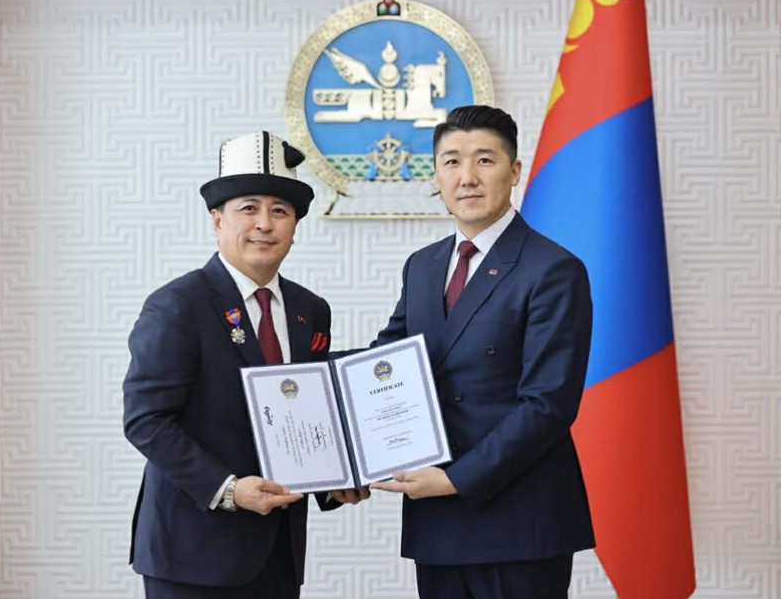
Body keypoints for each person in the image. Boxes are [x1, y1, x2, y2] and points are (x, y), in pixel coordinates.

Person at [123, 131, 366, 599]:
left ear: (295, 225)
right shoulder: (178, 304)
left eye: (280, 211)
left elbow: (307, 412)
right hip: (192, 552)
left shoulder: (310, 310)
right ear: (217, 220)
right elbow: (146, 421)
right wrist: (229, 489)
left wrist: (334, 482)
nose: (264, 224)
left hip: (278, 551)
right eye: (248, 208)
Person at [370, 105, 595, 599]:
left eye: (484, 160)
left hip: (519, 520)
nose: (467, 177)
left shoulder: (553, 269)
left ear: (514, 172)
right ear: (437, 175)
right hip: (438, 522)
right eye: (451, 161)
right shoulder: (423, 266)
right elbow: (386, 363)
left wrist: (456, 480)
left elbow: (548, 405)